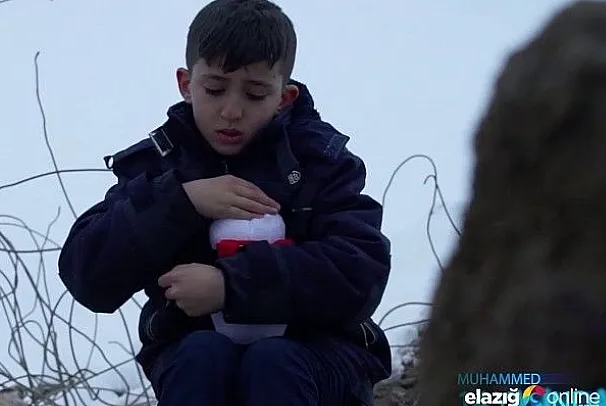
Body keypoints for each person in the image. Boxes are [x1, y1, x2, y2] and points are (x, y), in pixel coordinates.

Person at [57, 0, 393, 405]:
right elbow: (87, 276)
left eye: (255, 94)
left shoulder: (320, 162)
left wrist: (231, 286)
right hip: (194, 357)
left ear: (284, 97)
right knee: (202, 355)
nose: (231, 111)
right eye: (214, 89)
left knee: (274, 361)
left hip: (319, 356)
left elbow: (360, 270)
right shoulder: (159, 165)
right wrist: (181, 202)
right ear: (186, 84)